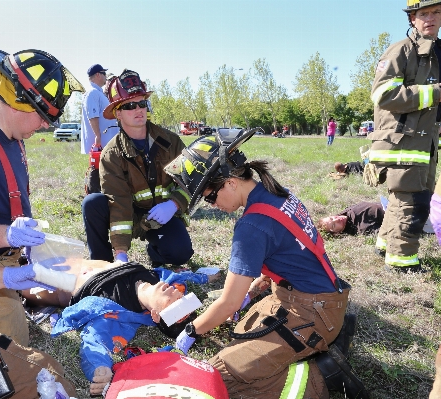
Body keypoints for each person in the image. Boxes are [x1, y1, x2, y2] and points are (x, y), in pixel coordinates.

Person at [165, 130, 368, 399]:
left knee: (221, 379)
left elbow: (228, 303)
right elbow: (292, 252)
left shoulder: (251, 225)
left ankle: (325, 376)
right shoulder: (277, 194)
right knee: (243, 332)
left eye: (210, 197)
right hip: (316, 297)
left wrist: (192, 330)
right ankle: (329, 335)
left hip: (311, 310)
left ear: (230, 182)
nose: (212, 205)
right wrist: (258, 287)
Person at [0, 47, 83, 398]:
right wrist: (6, 234)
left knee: (57, 299)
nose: (47, 125)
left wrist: (21, 246)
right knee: (15, 365)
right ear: (18, 103)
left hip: (5, 264)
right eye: (43, 116)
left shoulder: (13, 136)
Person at [51, 260, 218, 395]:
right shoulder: (163, 281)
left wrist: (100, 369)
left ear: (156, 315)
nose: (175, 293)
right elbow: (184, 278)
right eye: (180, 297)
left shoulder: (114, 313)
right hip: (83, 257)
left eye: (172, 302)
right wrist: (205, 278)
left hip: (59, 278)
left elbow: (94, 341)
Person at [81, 69, 193, 267]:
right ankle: (103, 265)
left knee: (180, 252)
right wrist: (121, 253)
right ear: (117, 113)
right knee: (92, 203)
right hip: (128, 214)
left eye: (142, 103)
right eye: (130, 105)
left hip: (161, 213)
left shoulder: (171, 142)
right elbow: (119, 202)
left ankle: (156, 252)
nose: (139, 109)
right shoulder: (112, 154)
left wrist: (173, 205)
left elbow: (190, 181)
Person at [368, 0, 441, 273]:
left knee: (407, 197)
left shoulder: (436, 53)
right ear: (412, 18)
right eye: (424, 14)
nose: (430, 19)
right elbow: (383, 95)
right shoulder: (401, 50)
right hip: (402, 142)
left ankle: (385, 243)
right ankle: (402, 261)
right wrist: (434, 93)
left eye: (436, 13)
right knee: (411, 201)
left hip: (425, 142)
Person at [81, 64, 119, 194]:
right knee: (98, 169)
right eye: (104, 74)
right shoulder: (92, 93)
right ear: (98, 75)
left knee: (105, 169)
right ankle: (95, 193)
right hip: (102, 140)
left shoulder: (97, 92)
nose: (105, 77)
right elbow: (93, 115)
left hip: (106, 138)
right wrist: (97, 136)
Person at [317, 202, 385, 236]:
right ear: (337, 233)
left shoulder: (345, 212)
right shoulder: (361, 227)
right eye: (334, 225)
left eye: (331, 218)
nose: (336, 219)